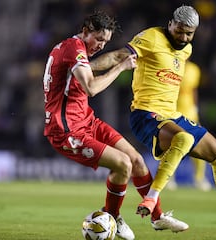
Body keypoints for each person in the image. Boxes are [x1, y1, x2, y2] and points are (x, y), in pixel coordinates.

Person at [90, 5, 216, 235]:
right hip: (145, 114)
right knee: (183, 139)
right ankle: (152, 199)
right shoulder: (151, 38)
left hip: (172, 114)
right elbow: (117, 56)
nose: (184, 37)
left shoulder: (186, 50)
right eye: (180, 31)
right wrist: (85, 67)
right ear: (171, 24)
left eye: (189, 33)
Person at [42, 11, 188, 240]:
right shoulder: (73, 48)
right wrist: (120, 67)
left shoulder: (75, 48)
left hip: (86, 120)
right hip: (67, 130)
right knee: (123, 164)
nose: (100, 46)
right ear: (86, 31)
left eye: (106, 42)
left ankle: (157, 217)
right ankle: (113, 217)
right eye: (98, 39)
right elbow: (91, 88)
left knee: (137, 161)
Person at [166, 60, 212, 191]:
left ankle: (199, 178)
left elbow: (193, 90)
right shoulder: (169, 65)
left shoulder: (194, 69)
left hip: (190, 112)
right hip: (173, 111)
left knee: (198, 145)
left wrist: (195, 108)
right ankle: (169, 178)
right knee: (171, 146)